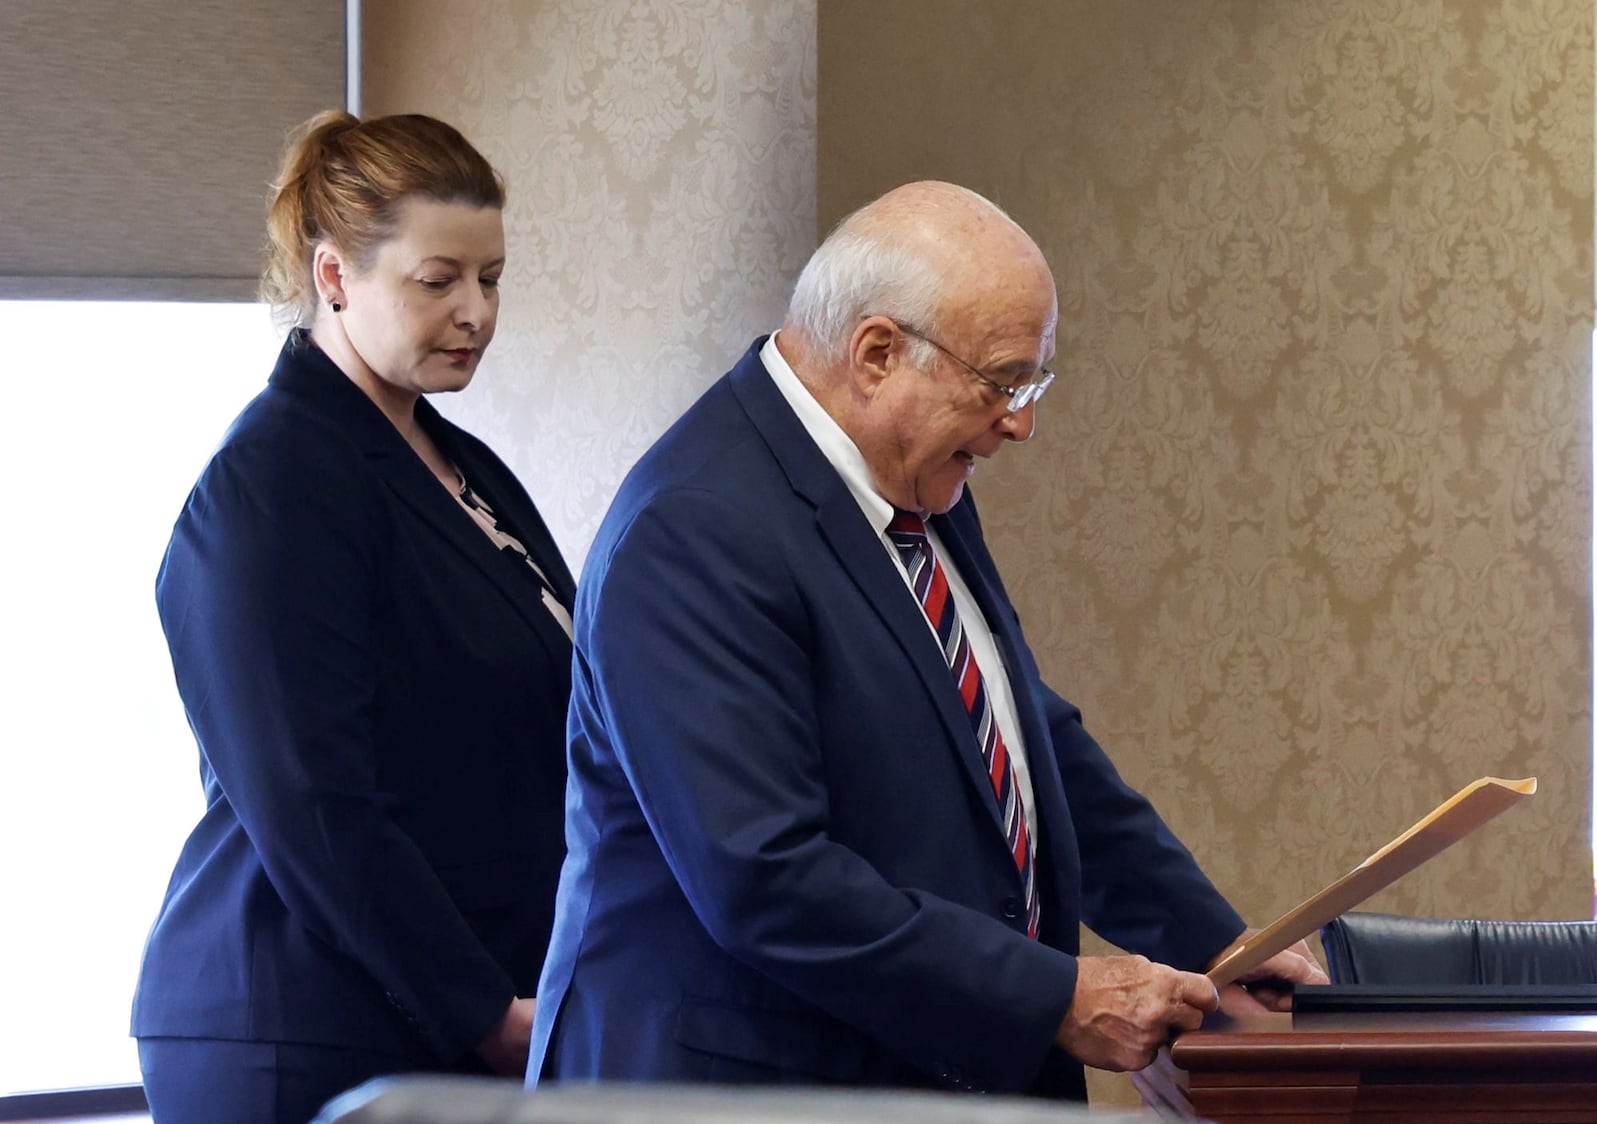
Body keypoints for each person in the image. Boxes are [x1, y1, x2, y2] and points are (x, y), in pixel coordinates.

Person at [528, 181, 1325, 1099]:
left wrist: (1216, 944)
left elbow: (1025, 743)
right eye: (1002, 383)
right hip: (746, 1092)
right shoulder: (693, 529)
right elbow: (765, 878)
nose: (1021, 422)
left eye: (1032, 383)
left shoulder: (913, 475)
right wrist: (1053, 997)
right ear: (876, 354)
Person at [132, 111, 575, 1124]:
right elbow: (314, 801)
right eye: (438, 279)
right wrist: (480, 1010)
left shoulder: (462, 468)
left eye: (492, 277)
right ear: (333, 278)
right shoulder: (276, 483)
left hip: (444, 1015)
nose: (476, 311)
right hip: (297, 1029)